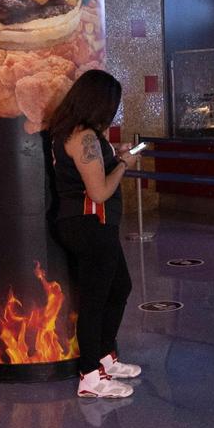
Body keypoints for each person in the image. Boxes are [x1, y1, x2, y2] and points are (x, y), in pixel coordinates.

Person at [49, 70, 141, 399]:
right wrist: (124, 165)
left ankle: (104, 357)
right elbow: (99, 192)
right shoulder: (84, 137)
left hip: (88, 224)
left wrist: (115, 157)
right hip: (89, 224)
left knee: (120, 287)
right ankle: (90, 376)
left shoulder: (71, 132)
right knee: (95, 300)